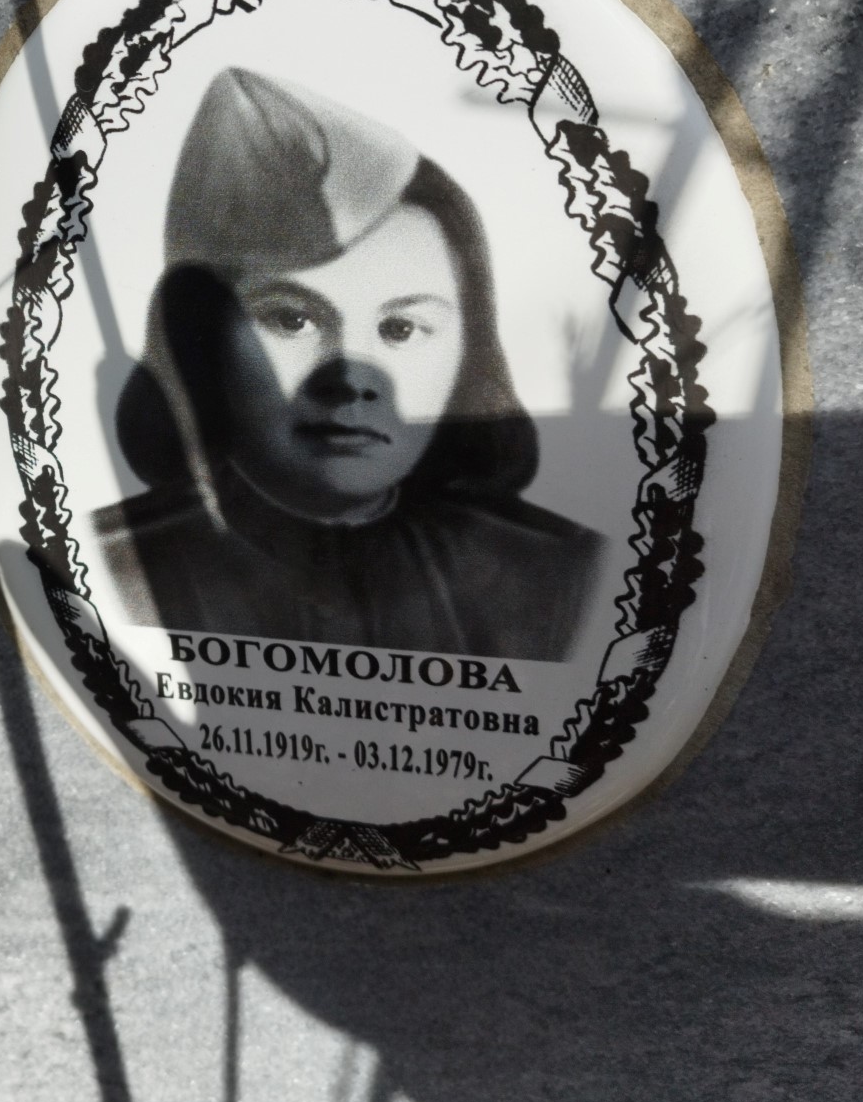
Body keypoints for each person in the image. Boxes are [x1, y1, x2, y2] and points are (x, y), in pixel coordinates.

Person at [93, 68, 600, 662]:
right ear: (198, 340)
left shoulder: (563, 576)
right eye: (291, 319)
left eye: (400, 329)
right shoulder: (104, 573)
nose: (350, 380)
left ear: (470, 349)